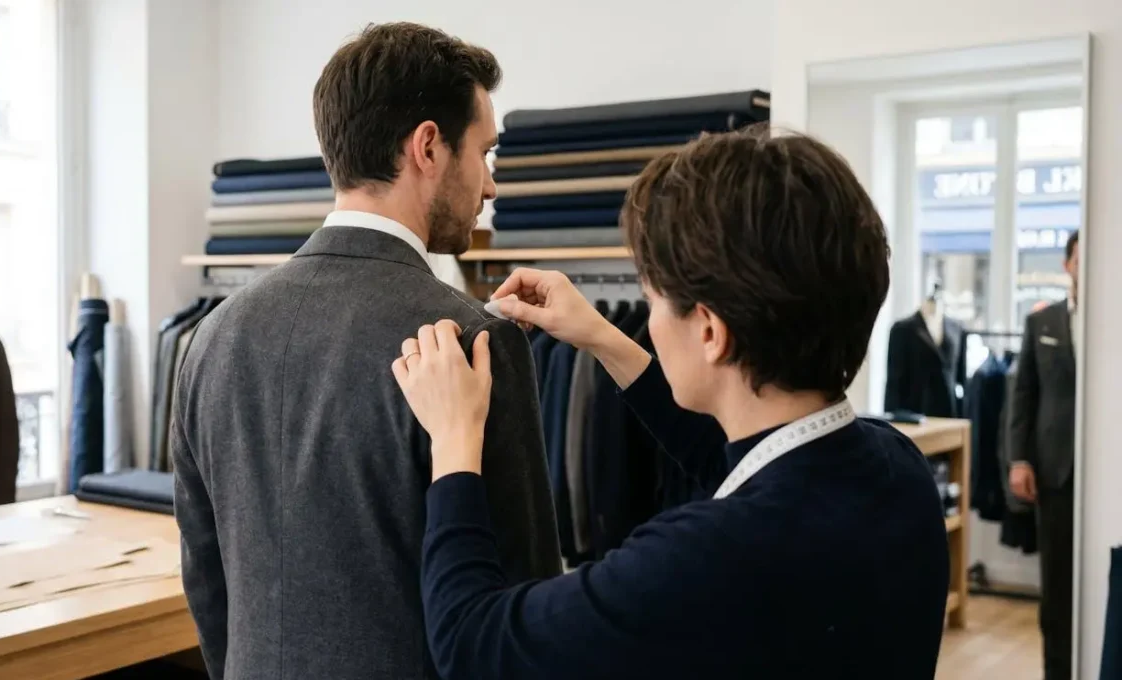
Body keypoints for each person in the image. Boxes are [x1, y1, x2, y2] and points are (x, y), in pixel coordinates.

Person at [392, 128, 951, 679]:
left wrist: (455, 440)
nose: (651, 320)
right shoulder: (898, 469)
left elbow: (471, 642)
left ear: (710, 332)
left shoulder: (702, 559)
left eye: (651, 299)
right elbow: (743, 464)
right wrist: (603, 337)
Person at [170, 22, 561, 680]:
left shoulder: (213, 337)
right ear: (428, 147)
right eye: (484, 154)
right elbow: (520, 614)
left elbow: (206, 582)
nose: (491, 188)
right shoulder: (472, 343)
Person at [1009, 230, 1080, 680]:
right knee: (1056, 586)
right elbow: (1024, 394)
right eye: (1080, 258)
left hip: (1105, 472)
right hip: (1055, 469)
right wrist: (1019, 459)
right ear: (1067, 264)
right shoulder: (1043, 323)